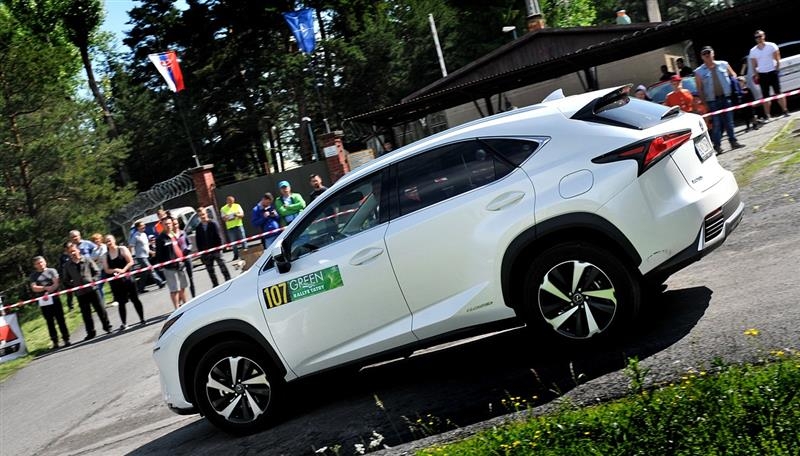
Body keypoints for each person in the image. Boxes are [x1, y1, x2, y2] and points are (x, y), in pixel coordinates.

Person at [695, 46, 744, 154]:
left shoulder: (724, 64)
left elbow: (733, 74)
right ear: (702, 57)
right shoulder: (699, 72)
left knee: (729, 122)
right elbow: (699, 89)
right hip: (712, 101)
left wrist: (734, 83)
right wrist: (704, 103)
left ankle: (733, 142)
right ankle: (717, 146)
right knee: (717, 124)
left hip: (726, 98)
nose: (707, 55)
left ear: (713, 53)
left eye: (708, 52)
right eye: (704, 54)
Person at [62, 242, 112, 340]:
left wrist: (94, 280)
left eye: (74, 251)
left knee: (101, 309)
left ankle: (107, 327)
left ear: (78, 250)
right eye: (70, 252)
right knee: (86, 314)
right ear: (68, 253)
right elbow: (65, 280)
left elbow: (97, 272)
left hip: (93, 289)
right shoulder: (67, 265)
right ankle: (90, 332)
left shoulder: (87, 259)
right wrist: (74, 285)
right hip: (80, 293)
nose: (73, 253)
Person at [101, 235, 145, 330]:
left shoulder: (122, 249)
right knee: (121, 302)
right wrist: (115, 270)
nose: (109, 243)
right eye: (106, 241)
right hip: (116, 282)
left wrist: (123, 270)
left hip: (128, 279)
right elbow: (106, 269)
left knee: (135, 299)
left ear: (114, 240)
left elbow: (131, 261)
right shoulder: (105, 255)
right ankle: (124, 323)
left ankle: (142, 319)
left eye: (110, 240)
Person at [29, 256, 71, 349]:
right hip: (43, 302)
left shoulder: (52, 271)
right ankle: (55, 341)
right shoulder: (33, 275)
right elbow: (34, 288)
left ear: (45, 262)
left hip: (55, 299)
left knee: (61, 319)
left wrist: (49, 291)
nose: (40, 264)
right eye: (38, 263)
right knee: (49, 321)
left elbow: (56, 283)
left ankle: (66, 339)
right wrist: (45, 288)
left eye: (42, 262)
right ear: (35, 265)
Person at [749, 30, 790, 119]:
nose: (759, 38)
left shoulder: (771, 45)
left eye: (760, 36)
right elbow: (754, 64)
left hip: (772, 71)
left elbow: (778, 57)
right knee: (765, 96)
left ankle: (785, 111)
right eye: (756, 37)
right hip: (762, 74)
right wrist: (756, 74)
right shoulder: (753, 50)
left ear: (764, 36)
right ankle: (767, 115)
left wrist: (777, 68)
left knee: (778, 92)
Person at [155, 217, 189, 309]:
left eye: (169, 223)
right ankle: (177, 309)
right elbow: (159, 255)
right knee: (174, 290)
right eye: (166, 224)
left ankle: (186, 306)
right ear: (162, 225)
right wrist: (164, 265)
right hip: (169, 268)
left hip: (180, 265)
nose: (168, 225)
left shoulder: (174, 234)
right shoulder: (160, 238)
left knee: (183, 287)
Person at [195, 207, 231, 288]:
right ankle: (215, 285)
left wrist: (219, 248)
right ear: (198, 216)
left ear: (206, 214)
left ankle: (228, 281)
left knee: (223, 267)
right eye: (200, 215)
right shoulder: (198, 228)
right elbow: (198, 242)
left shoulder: (213, 224)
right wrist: (201, 254)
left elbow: (219, 236)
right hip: (206, 253)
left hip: (216, 250)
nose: (202, 216)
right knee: (210, 271)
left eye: (203, 214)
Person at [129, 221, 166, 292]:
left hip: (146, 256)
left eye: (144, 225)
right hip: (141, 257)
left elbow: (145, 246)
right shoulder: (135, 236)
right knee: (151, 269)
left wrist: (151, 252)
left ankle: (140, 288)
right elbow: (131, 246)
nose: (144, 226)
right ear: (138, 227)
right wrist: (130, 256)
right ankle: (160, 282)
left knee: (144, 273)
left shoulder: (144, 234)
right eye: (142, 226)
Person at [172, 215, 196, 297]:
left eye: (176, 224)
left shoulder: (183, 232)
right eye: (173, 224)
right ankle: (182, 298)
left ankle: (194, 296)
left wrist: (188, 249)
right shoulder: (171, 236)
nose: (175, 226)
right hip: (178, 261)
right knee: (181, 282)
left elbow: (189, 244)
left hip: (187, 258)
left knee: (191, 278)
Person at [220, 195, 246, 261]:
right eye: (229, 202)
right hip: (230, 228)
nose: (231, 203)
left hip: (238, 225)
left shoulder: (237, 206)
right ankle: (236, 255)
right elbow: (223, 219)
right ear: (227, 201)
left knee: (243, 240)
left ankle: (246, 253)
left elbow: (242, 214)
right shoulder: (223, 208)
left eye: (232, 202)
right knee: (233, 243)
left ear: (233, 201)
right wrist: (228, 218)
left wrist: (236, 215)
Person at [89, 233, 109, 306]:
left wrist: (97, 259)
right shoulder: (94, 250)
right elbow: (91, 260)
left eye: (97, 239)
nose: (96, 241)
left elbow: (102, 256)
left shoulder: (105, 246)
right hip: (100, 270)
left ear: (101, 239)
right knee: (98, 286)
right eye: (94, 240)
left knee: (114, 283)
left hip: (108, 268)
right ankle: (102, 303)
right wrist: (97, 259)